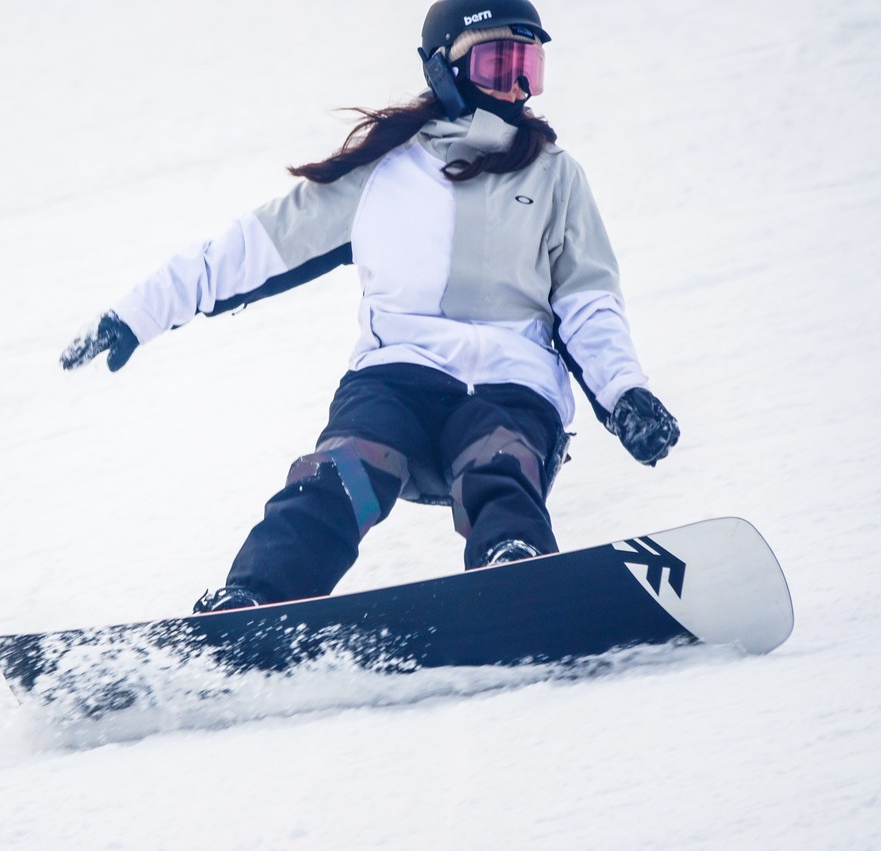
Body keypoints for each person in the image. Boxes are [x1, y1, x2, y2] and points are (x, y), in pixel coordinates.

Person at [60, 0, 680, 613]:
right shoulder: (386, 172)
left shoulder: (554, 177)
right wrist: (136, 313)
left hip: (512, 384)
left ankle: (513, 563)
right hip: (396, 381)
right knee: (341, 474)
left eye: (529, 68)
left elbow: (587, 300)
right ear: (445, 71)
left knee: (500, 466)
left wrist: (625, 393)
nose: (517, 88)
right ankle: (254, 600)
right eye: (498, 66)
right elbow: (254, 247)